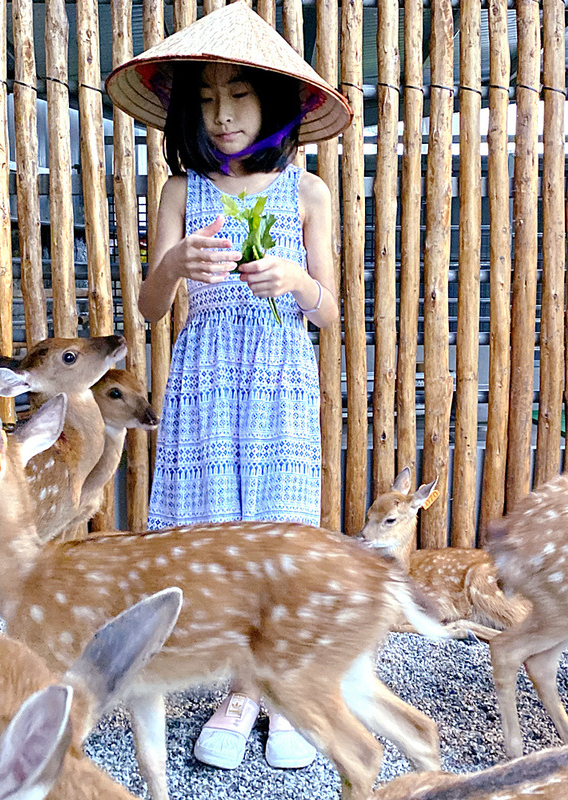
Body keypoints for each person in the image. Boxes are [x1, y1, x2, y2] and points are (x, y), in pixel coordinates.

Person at [105, 1, 351, 773]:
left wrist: (296, 281)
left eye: (238, 95)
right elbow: (148, 310)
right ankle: (237, 692)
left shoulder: (306, 193)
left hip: (277, 383)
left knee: (278, 538)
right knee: (215, 540)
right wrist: (173, 267)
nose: (222, 114)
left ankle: (281, 691)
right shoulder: (184, 190)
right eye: (207, 98)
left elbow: (333, 312)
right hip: (206, 382)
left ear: (274, 100)